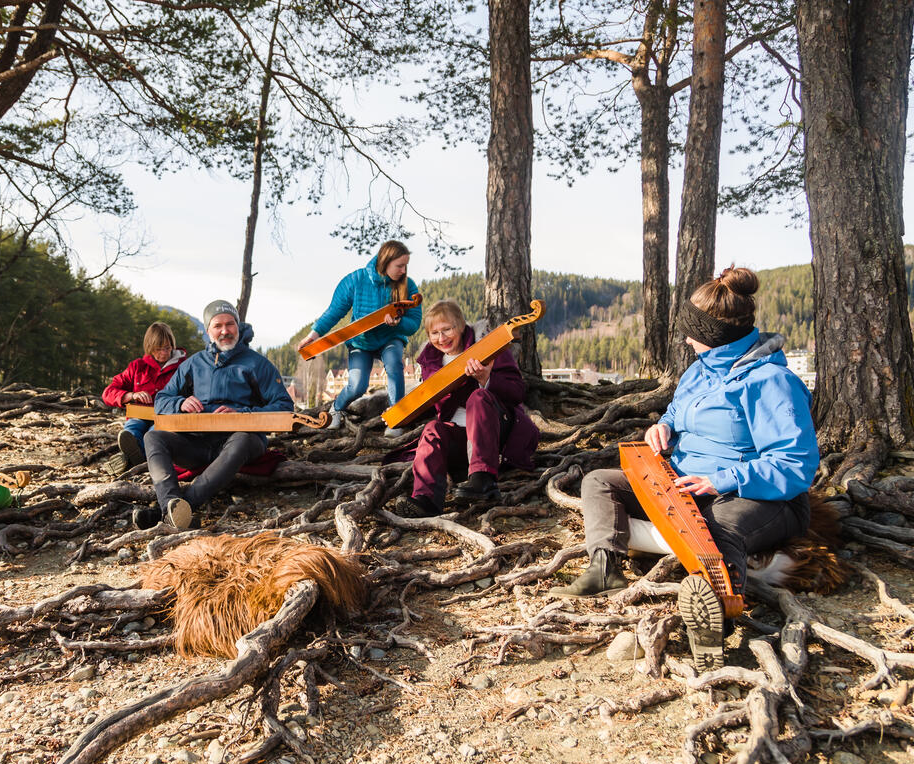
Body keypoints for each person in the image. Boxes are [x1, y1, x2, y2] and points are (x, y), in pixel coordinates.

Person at [550, 267, 819, 671]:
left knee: (719, 526)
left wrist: (721, 480)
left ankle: (718, 624)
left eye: (694, 333)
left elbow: (795, 464)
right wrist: (664, 425)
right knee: (598, 482)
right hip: (683, 484)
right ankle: (605, 566)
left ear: (714, 335)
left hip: (756, 494)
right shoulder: (700, 369)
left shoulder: (771, 382)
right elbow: (678, 410)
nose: (688, 339)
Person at [135, 300, 294, 530]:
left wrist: (242, 413)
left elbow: (284, 406)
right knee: (153, 437)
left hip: (240, 442)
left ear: (238, 327)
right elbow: (162, 399)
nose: (225, 331)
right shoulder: (194, 363)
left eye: (230, 324)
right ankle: (170, 506)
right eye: (217, 325)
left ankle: (176, 510)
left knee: (241, 438)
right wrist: (180, 403)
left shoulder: (257, 364)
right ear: (208, 331)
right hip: (198, 442)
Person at [392, 300, 539, 517]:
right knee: (433, 429)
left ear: (461, 326)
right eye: (434, 333)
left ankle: (483, 480)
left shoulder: (488, 346)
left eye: (447, 330)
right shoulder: (431, 362)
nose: (441, 338)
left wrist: (487, 379)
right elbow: (434, 407)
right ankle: (426, 499)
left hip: (498, 431)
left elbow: (517, 392)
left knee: (478, 397)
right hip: (460, 438)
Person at [297, 240, 421, 435]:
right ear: (385, 261)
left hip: (390, 338)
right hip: (361, 342)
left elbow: (414, 323)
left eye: (406, 265)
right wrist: (313, 336)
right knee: (357, 385)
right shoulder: (356, 280)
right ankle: (336, 409)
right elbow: (333, 312)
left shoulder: (408, 285)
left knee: (394, 364)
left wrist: (399, 323)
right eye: (399, 265)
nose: (403, 271)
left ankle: (395, 418)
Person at [102, 322, 187, 475]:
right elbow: (108, 392)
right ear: (149, 347)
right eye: (158, 349)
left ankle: (131, 459)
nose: (163, 353)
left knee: (153, 434)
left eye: (167, 348)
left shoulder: (184, 366)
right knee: (132, 429)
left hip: (165, 418)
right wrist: (130, 395)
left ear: (172, 345)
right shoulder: (137, 366)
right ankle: (136, 454)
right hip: (139, 415)